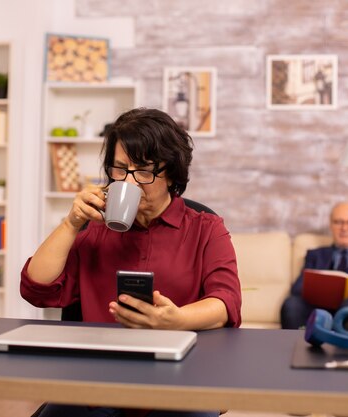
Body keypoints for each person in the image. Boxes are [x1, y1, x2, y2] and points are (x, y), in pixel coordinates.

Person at [21, 107, 242, 417]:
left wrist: (175, 320)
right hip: (97, 384)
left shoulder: (206, 229)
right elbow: (37, 288)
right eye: (120, 169)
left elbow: (226, 301)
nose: (130, 182)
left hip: (179, 383)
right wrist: (71, 222)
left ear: (172, 174)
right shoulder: (93, 231)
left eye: (144, 171)